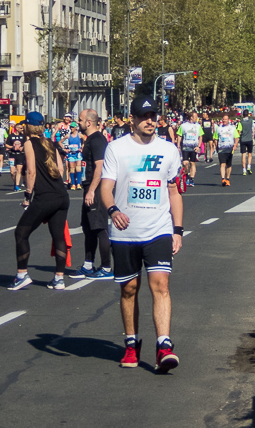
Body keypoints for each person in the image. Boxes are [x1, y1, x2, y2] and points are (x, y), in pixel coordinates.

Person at [100, 94, 183, 371]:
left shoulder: (169, 149)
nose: (151, 121)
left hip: (158, 228)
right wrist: (113, 210)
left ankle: (164, 346)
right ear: (132, 119)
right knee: (129, 289)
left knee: (160, 285)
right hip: (125, 232)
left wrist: (178, 230)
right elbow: (105, 187)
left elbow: (173, 191)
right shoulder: (116, 149)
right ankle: (132, 344)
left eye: (153, 116)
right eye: (144, 117)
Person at [8, 112, 70, 290]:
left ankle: (22, 274)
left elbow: (31, 171)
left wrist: (28, 195)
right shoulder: (49, 142)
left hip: (45, 197)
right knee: (58, 236)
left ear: (28, 126)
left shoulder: (29, 143)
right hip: (61, 195)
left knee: (21, 233)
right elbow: (60, 168)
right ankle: (59, 278)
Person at [71, 108, 113, 280]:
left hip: (96, 189)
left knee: (99, 227)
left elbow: (100, 166)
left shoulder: (97, 140)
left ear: (88, 122)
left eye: (80, 120)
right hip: (89, 186)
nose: (78, 123)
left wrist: (92, 190)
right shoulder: (90, 139)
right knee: (88, 227)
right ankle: (88, 264)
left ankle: (106, 267)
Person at [177, 111, 202, 185]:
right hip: (185, 146)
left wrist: (198, 146)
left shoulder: (198, 126)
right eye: (195, 117)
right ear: (191, 117)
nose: (197, 118)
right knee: (185, 163)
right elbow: (179, 135)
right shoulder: (183, 126)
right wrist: (178, 146)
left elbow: (200, 136)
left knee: (192, 163)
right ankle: (187, 175)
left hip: (194, 146)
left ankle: (192, 179)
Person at [215, 113, 236, 186]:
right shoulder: (218, 128)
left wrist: (235, 145)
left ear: (228, 120)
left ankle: (228, 179)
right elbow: (216, 138)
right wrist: (216, 146)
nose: (224, 120)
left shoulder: (232, 128)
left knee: (229, 165)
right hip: (221, 148)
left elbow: (236, 137)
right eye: (223, 119)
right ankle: (223, 179)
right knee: (222, 164)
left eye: (225, 119)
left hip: (230, 148)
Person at [66, 123, 84, 190]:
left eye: (72, 127)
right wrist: (65, 149)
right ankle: (73, 184)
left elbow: (85, 139)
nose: (71, 128)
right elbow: (60, 141)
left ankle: (78, 184)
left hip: (78, 153)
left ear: (76, 128)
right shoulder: (68, 135)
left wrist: (82, 147)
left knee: (78, 168)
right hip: (71, 154)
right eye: (70, 127)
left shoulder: (79, 135)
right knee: (72, 169)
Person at [238, 110, 255, 175]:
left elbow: (239, 131)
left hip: (243, 139)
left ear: (242, 115)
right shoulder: (251, 121)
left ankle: (244, 170)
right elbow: (253, 129)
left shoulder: (241, 122)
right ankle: (249, 166)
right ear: (248, 114)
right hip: (249, 139)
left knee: (243, 155)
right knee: (250, 154)